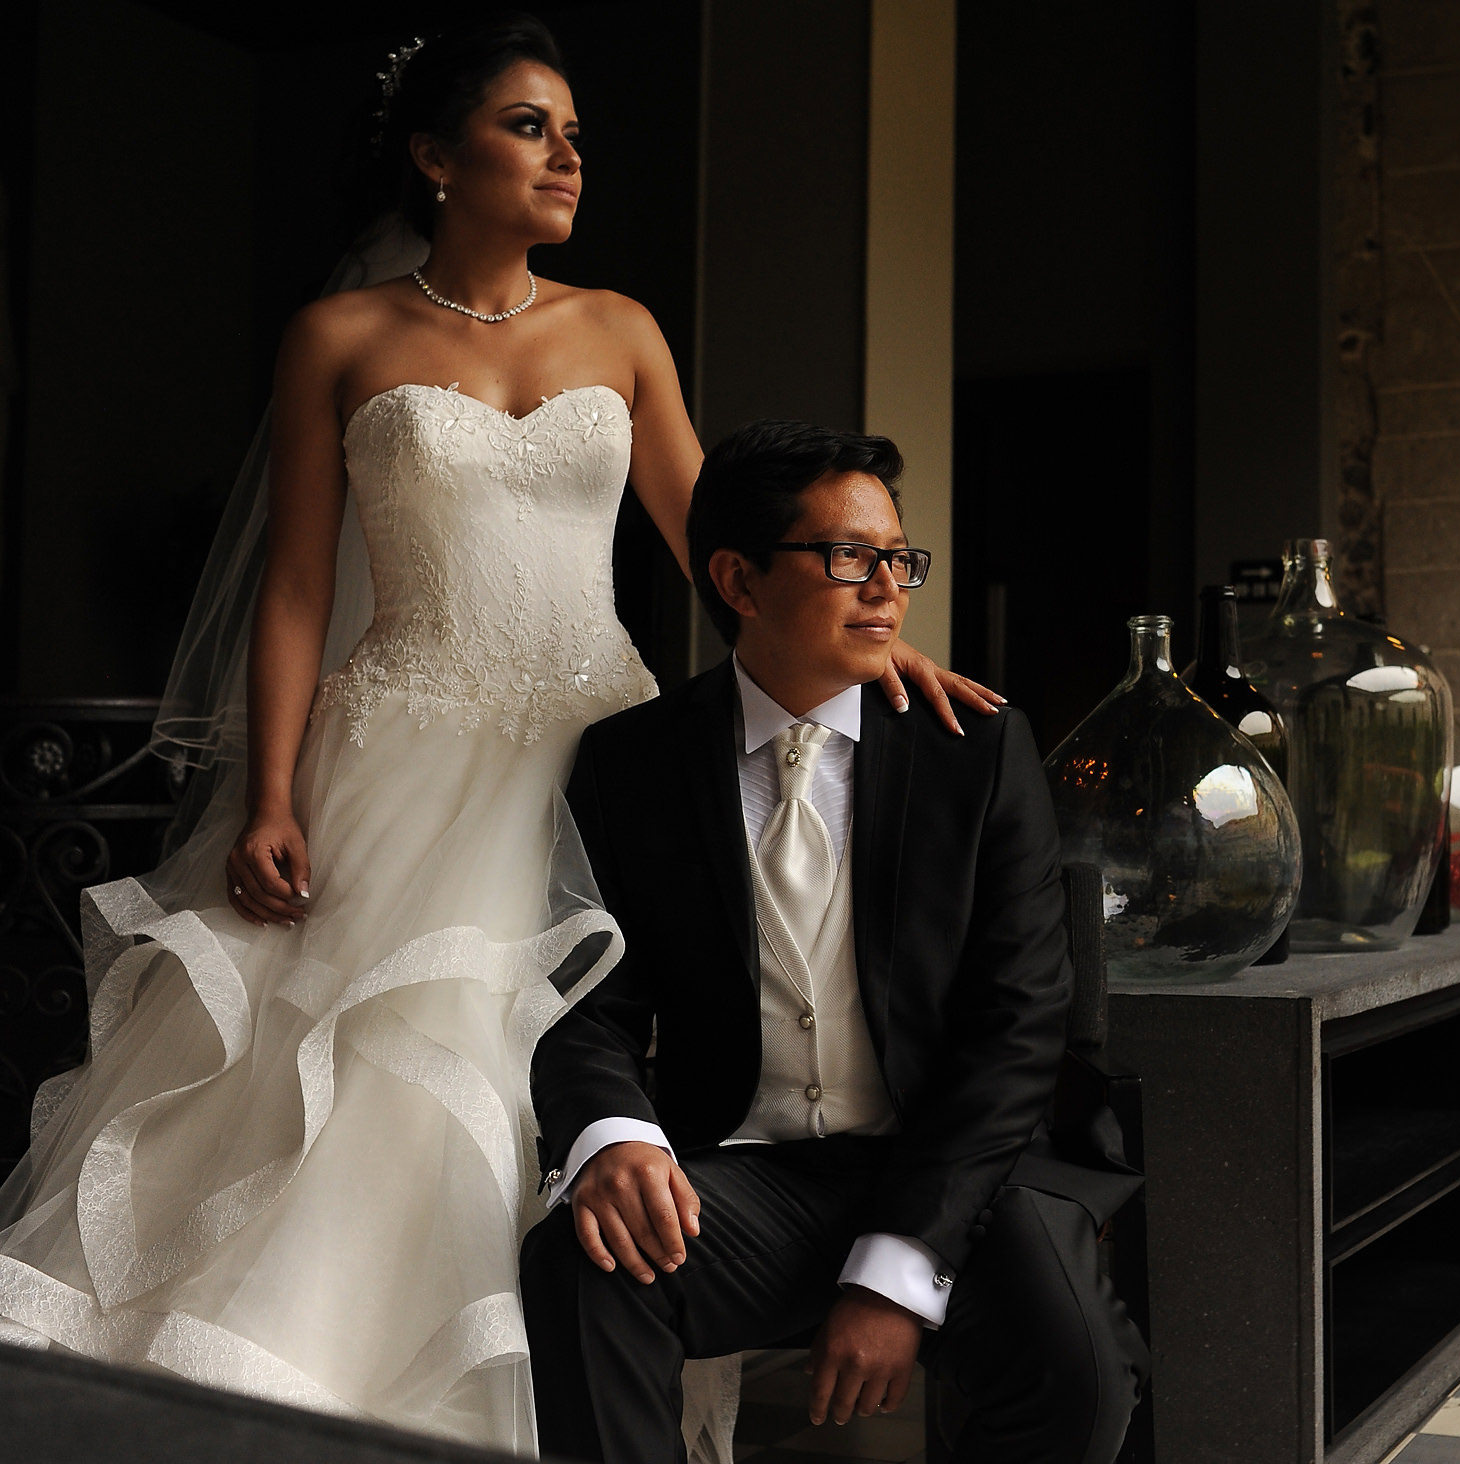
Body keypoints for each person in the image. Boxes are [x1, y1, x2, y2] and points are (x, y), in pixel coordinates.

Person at [0, 17, 992, 1452]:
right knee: (402, 1066)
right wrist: (271, 790)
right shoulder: (340, 339)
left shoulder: (622, 330)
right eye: (531, 126)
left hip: (605, 748)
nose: (570, 153)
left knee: (588, 1070)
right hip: (403, 758)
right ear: (433, 155)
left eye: (576, 130)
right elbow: (293, 584)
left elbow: (735, 556)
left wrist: (884, 643)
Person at [521, 420, 1147, 1464]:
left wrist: (898, 1267)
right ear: (740, 579)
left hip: (960, 1170)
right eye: (848, 557)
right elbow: (586, 1000)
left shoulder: (976, 751)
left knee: (1076, 1369)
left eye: (897, 558)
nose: (888, 587)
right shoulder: (634, 764)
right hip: (754, 1172)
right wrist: (615, 1139)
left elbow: (1020, 1025)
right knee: (583, 1266)